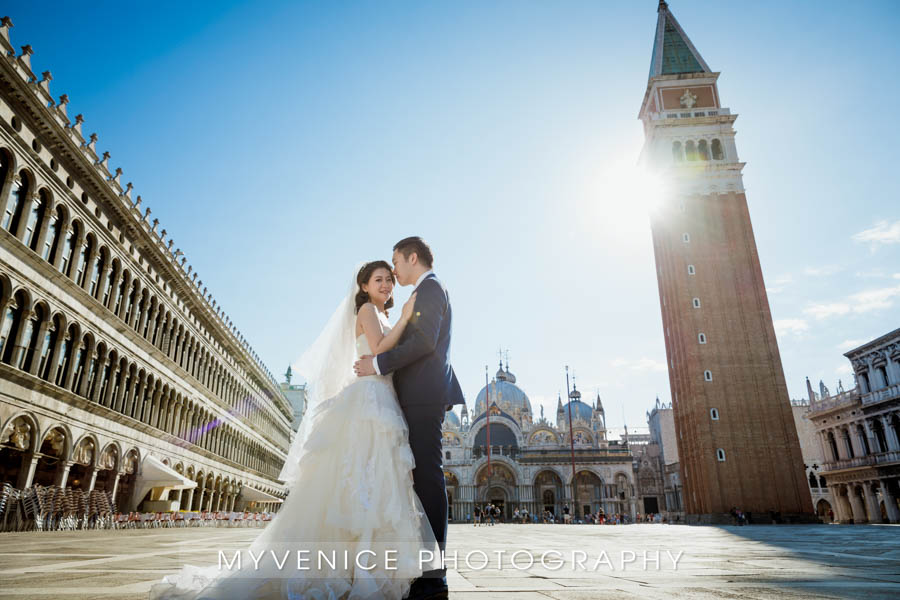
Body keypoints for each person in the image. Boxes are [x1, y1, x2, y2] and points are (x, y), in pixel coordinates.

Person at [148, 260, 442, 600]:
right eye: (379, 280)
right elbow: (378, 349)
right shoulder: (366, 310)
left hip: (382, 399)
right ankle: (353, 571)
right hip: (369, 401)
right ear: (363, 286)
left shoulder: (379, 313)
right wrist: (407, 316)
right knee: (360, 482)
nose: (387, 285)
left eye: (390, 280)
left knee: (374, 483)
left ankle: (360, 568)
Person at [354, 237, 465, 600]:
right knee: (418, 480)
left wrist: (378, 364)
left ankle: (434, 576)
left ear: (411, 258)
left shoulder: (430, 289)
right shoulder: (424, 292)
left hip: (422, 396)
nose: (393, 273)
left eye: (395, 264)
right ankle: (425, 569)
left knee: (428, 479)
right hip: (416, 395)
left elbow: (425, 344)